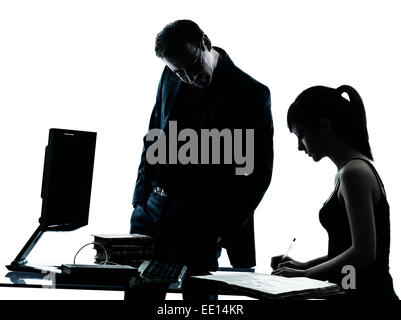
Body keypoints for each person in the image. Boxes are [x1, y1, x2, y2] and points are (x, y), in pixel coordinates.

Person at [130, 20, 273, 300]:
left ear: (206, 42)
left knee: (199, 303)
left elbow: (258, 173)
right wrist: (140, 202)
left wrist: (223, 230)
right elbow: (154, 136)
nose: (188, 77)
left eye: (193, 67)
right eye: (179, 72)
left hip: (205, 223)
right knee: (138, 298)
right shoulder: (170, 75)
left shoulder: (251, 93)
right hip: (154, 212)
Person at [271, 85, 398, 300]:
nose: (300, 147)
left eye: (301, 135)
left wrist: (305, 275)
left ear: (324, 126)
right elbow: (348, 248)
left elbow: (364, 252)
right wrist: (306, 265)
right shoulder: (348, 172)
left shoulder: (353, 173)